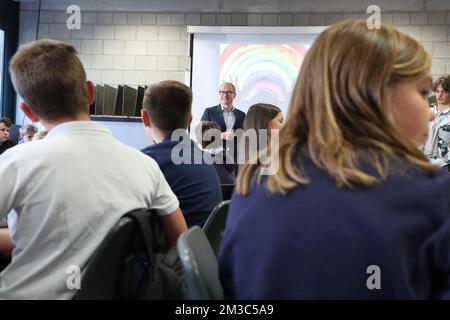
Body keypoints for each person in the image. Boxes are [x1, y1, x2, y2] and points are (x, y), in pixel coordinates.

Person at [219, 20, 450, 299]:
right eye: (423, 93)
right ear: (375, 96)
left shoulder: (255, 182)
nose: (430, 112)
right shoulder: (431, 195)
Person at [0, 39, 187, 299]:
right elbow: (183, 241)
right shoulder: (146, 166)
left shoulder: (15, 162)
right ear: (90, 93)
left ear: (28, 112)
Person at [141, 80, 222, 227]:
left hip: (177, 248)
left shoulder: (148, 161)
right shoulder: (203, 158)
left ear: (144, 118)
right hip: (204, 246)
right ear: (189, 120)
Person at [201, 82, 246, 163]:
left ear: (234, 95)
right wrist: (221, 135)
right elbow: (201, 134)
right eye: (222, 92)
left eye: (229, 92)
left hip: (236, 160)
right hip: (214, 159)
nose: (225, 95)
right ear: (219, 94)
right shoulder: (209, 112)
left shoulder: (242, 115)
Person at [422, 75, 450, 169]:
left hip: (444, 163)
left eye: (444, 91)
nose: (439, 95)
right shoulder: (428, 111)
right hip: (425, 161)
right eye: (437, 91)